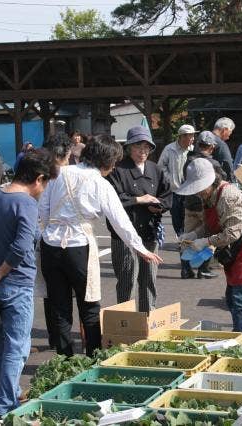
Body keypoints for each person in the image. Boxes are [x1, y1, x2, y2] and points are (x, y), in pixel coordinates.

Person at [39, 135, 162, 357]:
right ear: (106, 161)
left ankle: (64, 359)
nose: (113, 167)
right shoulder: (100, 183)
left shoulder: (58, 174)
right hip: (79, 246)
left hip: (51, 245)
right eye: (113, 162)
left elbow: (43, 211)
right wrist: (141, 249)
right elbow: (120, 221)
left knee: (60, 306)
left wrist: (50, 231)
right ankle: (93, 357)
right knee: (89, 305)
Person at [0, 148, 56, 419]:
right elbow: (22, 246)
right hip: (16, 283)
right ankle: (6, 408)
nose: (43, 190)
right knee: (17, 347)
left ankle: (5, 394)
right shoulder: (26, 203)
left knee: (1, 346)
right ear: (39, 178)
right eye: (45, 183)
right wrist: (3, 269)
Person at [177, 158, 242, 332]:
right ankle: (241, 330)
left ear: (212, 181)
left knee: (239, 296)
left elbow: (232, 233)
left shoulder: (229, 197)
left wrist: (206, 241)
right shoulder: (210, 196)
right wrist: (194, 234)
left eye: (199, 188)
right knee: (232, 295)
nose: (198, 193)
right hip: (234, 247)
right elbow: (210, 224)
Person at [107, 126, 172, 313]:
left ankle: (147, 317)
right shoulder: (118, 170)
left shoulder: (156, 169)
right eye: (138, 147)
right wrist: (138, 199)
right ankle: (124, 321)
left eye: (146, 147)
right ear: (128, 148)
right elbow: (111, 200)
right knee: (127, 279)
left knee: (149, 278)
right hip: (124, 235)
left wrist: (159, 205)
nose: (142, 151)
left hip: (149, 231)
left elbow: (167, 196)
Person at [38, 133, 72, 350]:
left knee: (51, 292)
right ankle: (67, 340)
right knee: (78, 293)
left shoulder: (39, 173)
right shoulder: (72, 174)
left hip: (44, 238)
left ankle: (55, 339)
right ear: (67, 153)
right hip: (72, 239)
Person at [180, 131, 223, 279]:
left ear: (198, 145)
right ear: (211, 147)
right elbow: (220, 183)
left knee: (188, 237)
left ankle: (185, 269)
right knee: (208, 236)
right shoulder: (214, 164)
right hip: (206, 206)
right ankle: (203, 269)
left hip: (189, 204)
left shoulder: (189, 161)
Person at [157, 124, 196, 236]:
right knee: (176, 216)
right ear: (182, 137)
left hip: (189, 190)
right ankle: (180, 237)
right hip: (174, 190)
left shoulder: (193, 149)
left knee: (188, 217)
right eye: (190, 136)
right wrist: (170, 179)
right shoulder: (169, 149)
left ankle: (185, 238)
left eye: (193, 136)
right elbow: (160, 166)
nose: (193, 139)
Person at [211, 117, 235, 182]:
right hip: (215, 184)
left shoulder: (201, 140)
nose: (228, 137)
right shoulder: (221, 145)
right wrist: (233, 182)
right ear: (225, 130)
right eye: (230, 133)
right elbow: (228, 166)